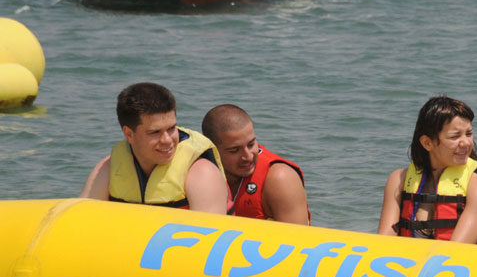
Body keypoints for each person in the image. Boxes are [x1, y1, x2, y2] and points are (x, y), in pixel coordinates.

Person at [80, 83, 229, 214]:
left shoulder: (202, 173)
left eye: (171, 128)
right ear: (129, 134)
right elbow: (82, 222)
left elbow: (210, 238)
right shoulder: (108, 170)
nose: (167, 140)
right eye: (155, 132)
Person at [378, 96, 477, 244]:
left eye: (469, 134)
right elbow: (384, 241)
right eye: (455, 136)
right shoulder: (398, 180)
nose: (466, 143)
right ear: (427, 143)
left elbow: (457, 250)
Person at [202, 105, 310, 224]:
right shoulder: (200, 172)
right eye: (234, 150)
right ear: (212, 149)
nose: (248, 156)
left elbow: (297, 239)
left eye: (251, 144)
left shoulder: (280, 178)